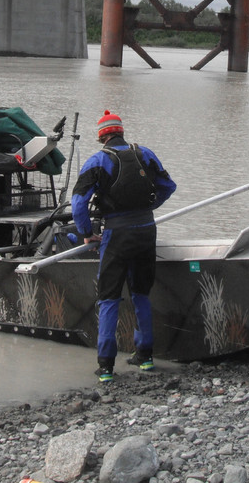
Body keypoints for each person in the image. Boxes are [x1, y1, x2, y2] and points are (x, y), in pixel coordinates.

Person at [71, 110, 176, 382]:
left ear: (101, 136)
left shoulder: (98, 160)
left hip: (117, 234)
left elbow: (79, 204)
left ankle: (106, 367)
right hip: (146, 230)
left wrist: (86, 233)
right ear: (121, 132)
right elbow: (168, 186)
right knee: (141, 292)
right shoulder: (145, 154)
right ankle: (145, 357)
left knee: (109, 297)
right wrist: (148, 208)